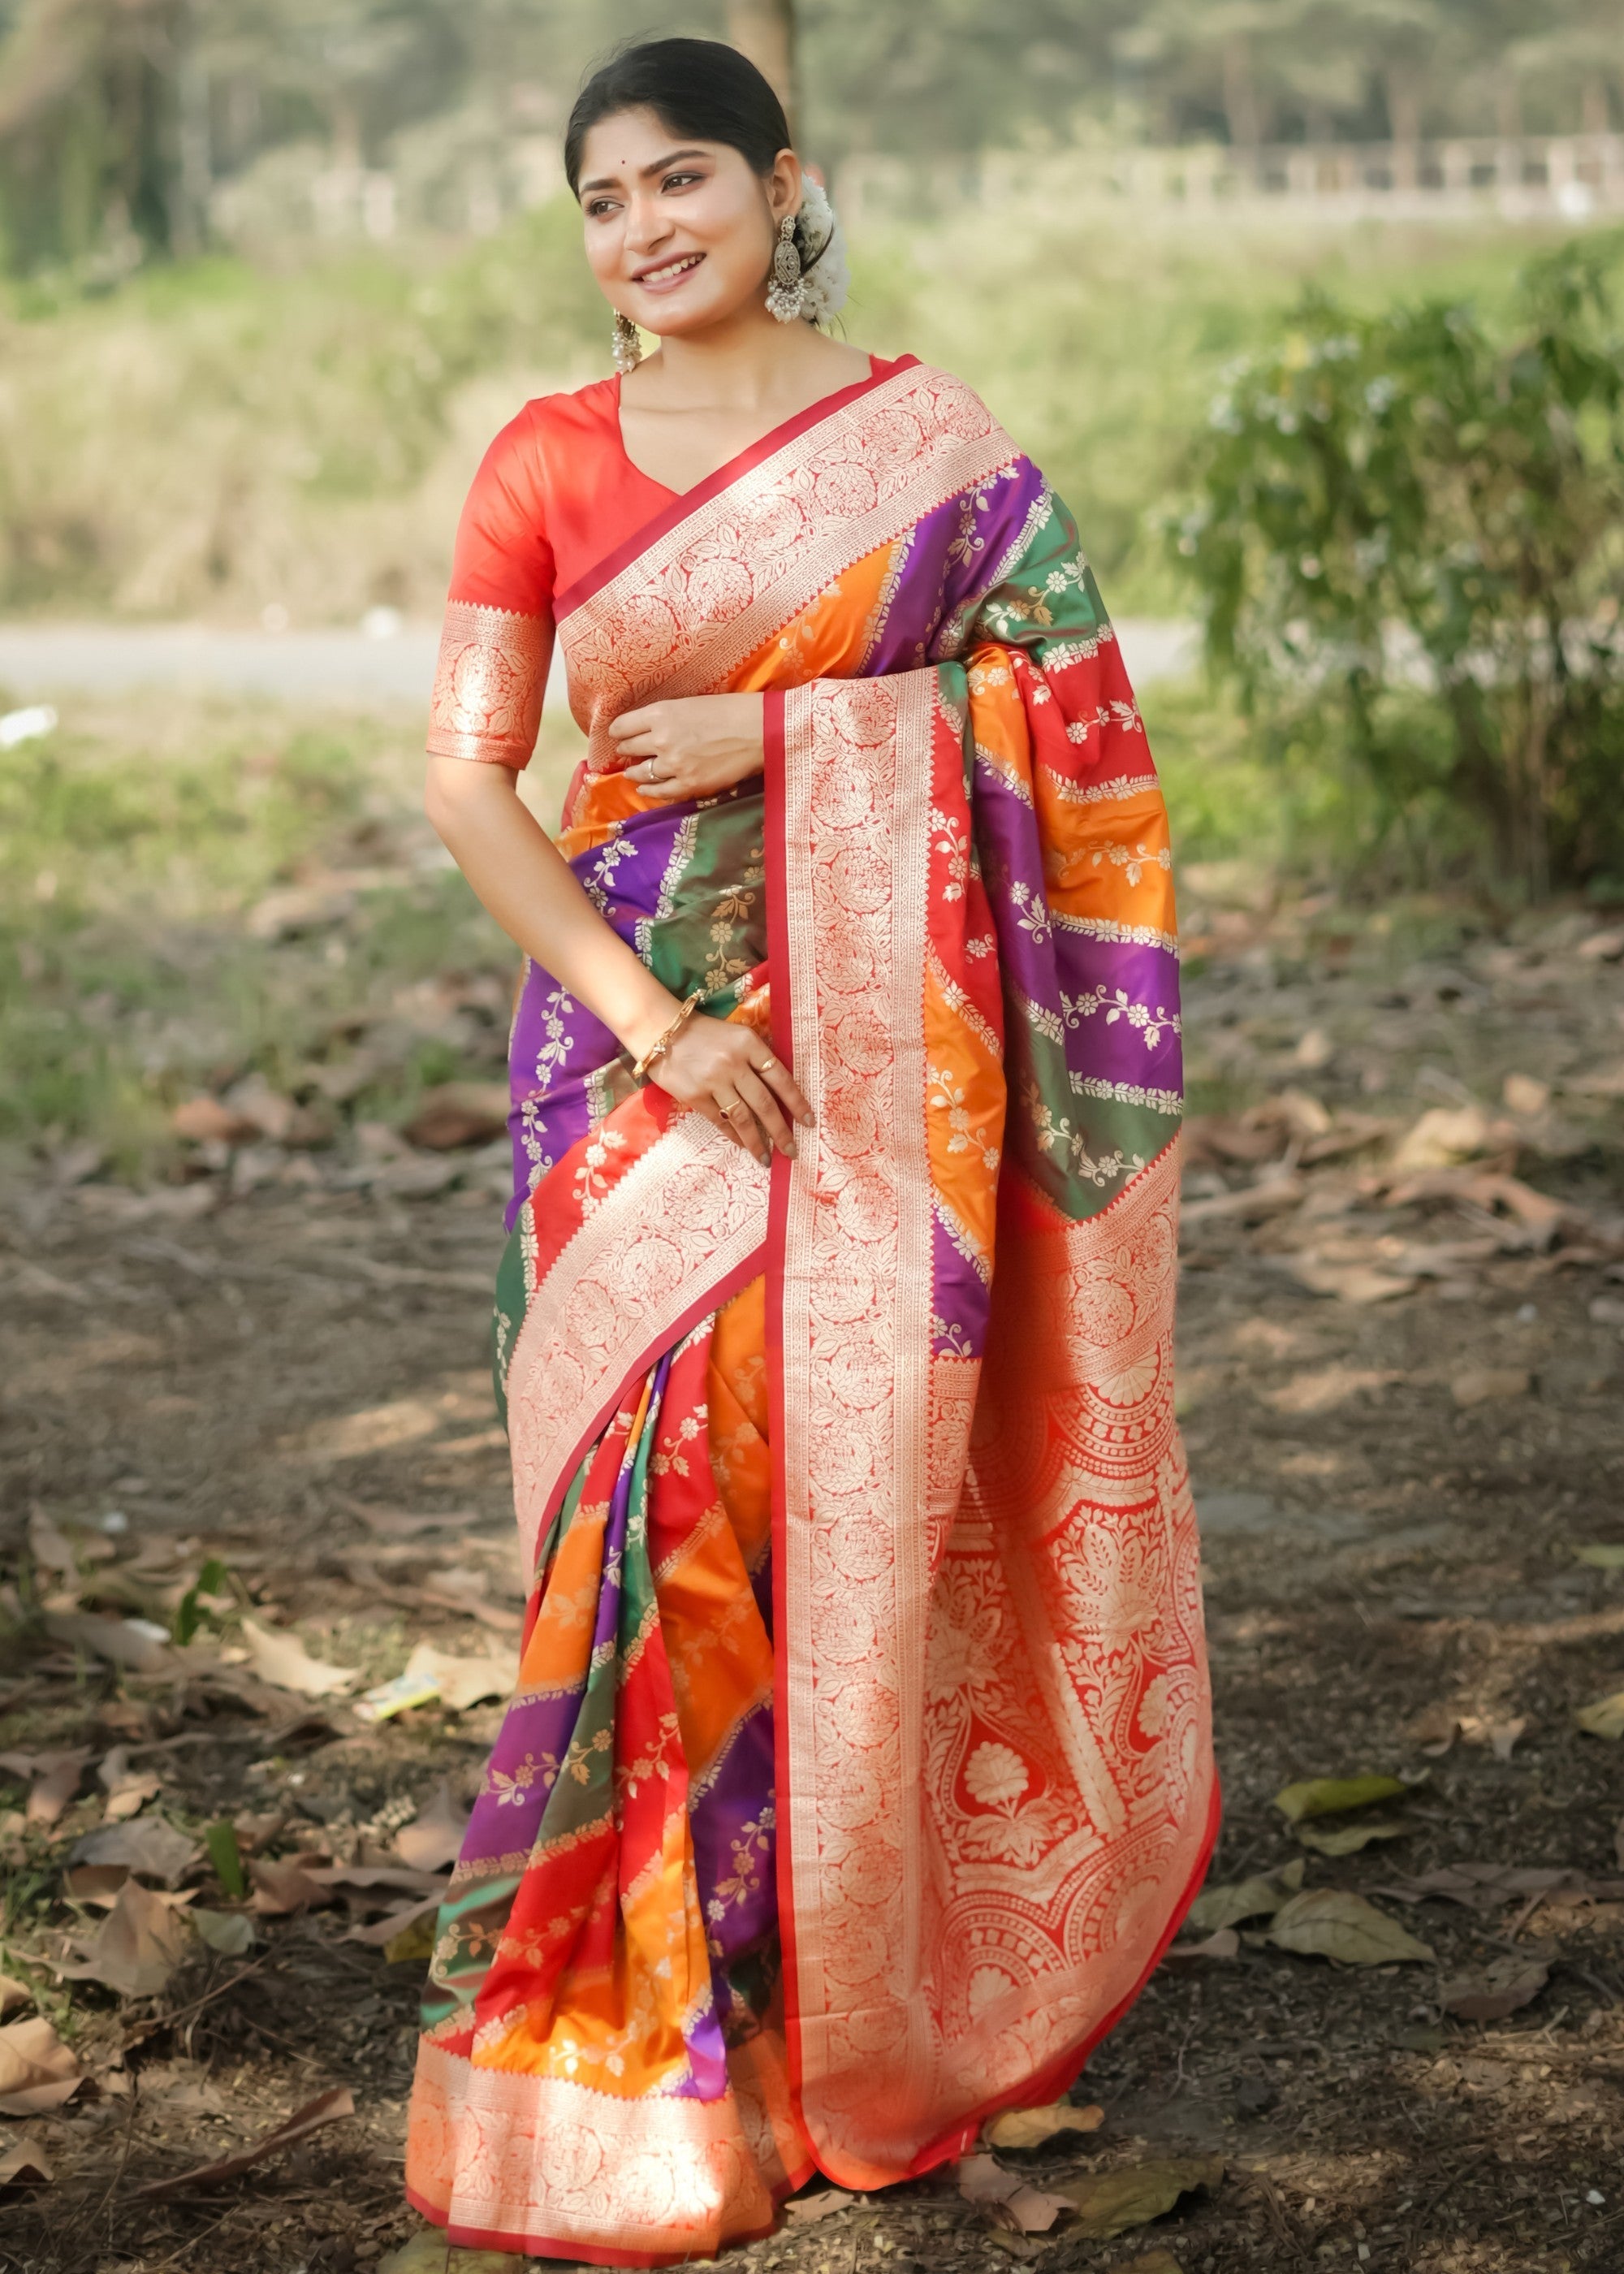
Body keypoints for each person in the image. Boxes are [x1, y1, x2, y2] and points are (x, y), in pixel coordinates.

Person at [406, 35, 1216, 2264]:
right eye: (602, 202)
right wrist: (659, 1023)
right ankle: (645, 2039)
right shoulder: (542, 461)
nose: (645, 230)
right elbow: (474, 780)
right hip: (628, 1052)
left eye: (683, 182)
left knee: (821, 1495)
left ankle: (817, 2001)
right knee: (652, 1524)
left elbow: (1079, 710)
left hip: (892, 1070)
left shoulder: (930, 448)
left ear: (787, 187)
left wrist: (791, 720)